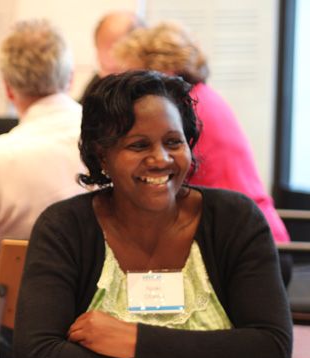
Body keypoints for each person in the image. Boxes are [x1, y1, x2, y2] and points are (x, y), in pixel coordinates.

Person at [14, 70, 292, 358]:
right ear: (102, 155)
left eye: (173, 142)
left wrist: (134, 339)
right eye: (139, 145)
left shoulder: (235, 219)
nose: (160, 159)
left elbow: (272, 350)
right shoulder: (64, 227)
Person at [112, 21, 292, 280]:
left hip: (246, 249)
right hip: (263, 240)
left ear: (163, 69)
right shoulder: (203, 97)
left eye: (134, 75)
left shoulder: (181, 112)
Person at [0, 19, 86, 358]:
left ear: (8, 88)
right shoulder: (110, 142)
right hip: (98, 318)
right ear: (71, 78)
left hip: (15, 333)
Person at [79, 11, 144, 102]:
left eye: (118, 70)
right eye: (104, 68)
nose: (110, 81)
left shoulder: (154, 96)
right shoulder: (95, 87)